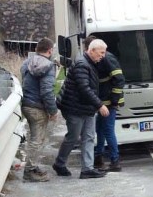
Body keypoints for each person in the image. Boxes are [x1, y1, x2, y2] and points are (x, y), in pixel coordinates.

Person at [53, 38, 109, 179]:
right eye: (101, 53)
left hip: (87, 107)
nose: (103, 56)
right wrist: (100, 105)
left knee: (89, 137)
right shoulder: (82, 64)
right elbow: (84, 88)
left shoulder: (91, 63)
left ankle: (87, 169)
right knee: (73, 137)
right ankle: (59, 163)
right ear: (92, 51)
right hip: (74, 108)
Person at [19, 37, 58, 182]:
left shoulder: (27, 63)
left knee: (34, 139)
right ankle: (30, 171)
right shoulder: (49, 66)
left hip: (26, 104)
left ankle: (33, 167)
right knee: (37, 140)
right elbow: (47, 91)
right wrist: (53, 111)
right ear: (50, 50)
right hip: (38, 107)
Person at [85, 35, 125, 172]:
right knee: (100, 129)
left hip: (109, 102)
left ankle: (115, 161)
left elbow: (119, 79)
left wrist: (114, 100)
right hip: (103, 101)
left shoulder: (107, 58)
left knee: (107, 130)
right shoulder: (99, 59)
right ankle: (98, 157)